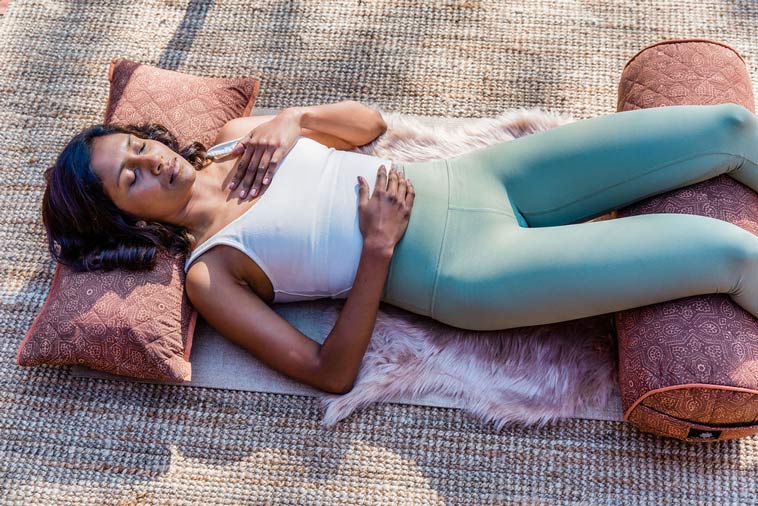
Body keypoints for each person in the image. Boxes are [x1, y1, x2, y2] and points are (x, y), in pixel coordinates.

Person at [43, 100, 758, 394]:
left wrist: (295, 118)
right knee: (726, 252)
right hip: (470, 272)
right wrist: (377, 251)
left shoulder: (242, 136)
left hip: (476, 174)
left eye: (137, 146)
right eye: (128, 180)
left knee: (729, 126)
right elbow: (329, 372)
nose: (149, 162)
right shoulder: (212, 270)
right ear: (125, 223)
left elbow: (371, 124)